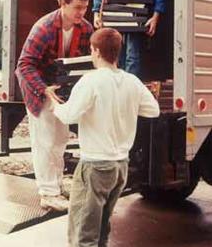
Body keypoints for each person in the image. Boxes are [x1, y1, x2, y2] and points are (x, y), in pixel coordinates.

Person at [53, 28, 160, 247]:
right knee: (101, 230)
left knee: (83, 235)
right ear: (118, 52)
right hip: (120, 167)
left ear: (96, 51)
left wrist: (52, 103)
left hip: (95, 166)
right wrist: (125, 107)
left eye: (91, 50)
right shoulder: (132, 81)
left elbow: (68, 115)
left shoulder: (90, 81)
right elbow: (153, 110)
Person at [15, 0, 93, 212]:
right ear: (62, 4)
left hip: (61, 90)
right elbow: (24, 64)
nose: (81, 12)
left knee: (59, 140)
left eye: (85, 7)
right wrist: (43, 89)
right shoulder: (44, 27)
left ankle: (56, 186)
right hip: (38, 88)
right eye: (77, 7)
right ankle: (48, 193)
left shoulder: (87, 28)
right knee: (44, 142)